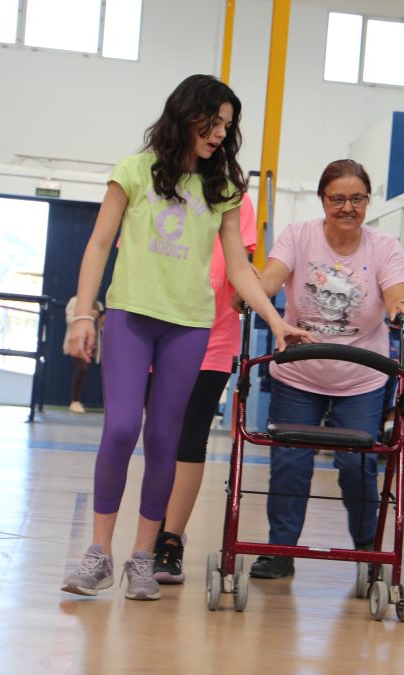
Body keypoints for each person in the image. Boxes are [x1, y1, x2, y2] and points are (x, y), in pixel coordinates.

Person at [60, 75, 310, 600]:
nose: (220, 133)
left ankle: (142, 559)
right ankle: (99, 553)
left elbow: (240, 269)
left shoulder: (222, 188)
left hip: (190, 326)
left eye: (227, 125)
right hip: (131, 317)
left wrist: (275, 319)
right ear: (184, 114)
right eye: (212, 121)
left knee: (164, 442)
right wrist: (84, 314)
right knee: (123, 426)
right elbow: (99, 245)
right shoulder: (132, 170)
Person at [241, 159, 404, 580]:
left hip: (361, 377)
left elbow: (396, 294)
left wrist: (401, 311)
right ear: (323, 200)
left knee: (357, 467)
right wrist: (253, 292)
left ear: (368, 201)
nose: (347, 207)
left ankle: (367, 554)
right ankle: (281, 550)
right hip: (299, 374)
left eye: (357, 198)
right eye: (338, 199)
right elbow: (272, 278)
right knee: (290, 463)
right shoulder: (298, 236)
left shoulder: (385, 247)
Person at [150, 193, 258, 584]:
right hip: (156, 327)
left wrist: (252, 295)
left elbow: (239, 263)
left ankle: (170, 540)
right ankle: (155, 526)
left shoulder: (234, 198)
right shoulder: (156, 185)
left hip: (213, 333)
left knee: (190, 439)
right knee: (161, 438)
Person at [63, 296, 104, 414]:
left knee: (84, 371)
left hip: (91, 344)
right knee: (82, 369)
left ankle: (77, 400)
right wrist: (86, 316)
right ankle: (74, 401)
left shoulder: (99, 305)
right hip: (77, 342)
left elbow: (100, 327)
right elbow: (69, 320)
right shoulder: (74, 301)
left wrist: (101, 320)